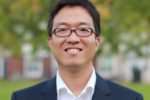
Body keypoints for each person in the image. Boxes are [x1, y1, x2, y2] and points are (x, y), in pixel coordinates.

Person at [11, 0, 143, 100]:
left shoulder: (131, 98)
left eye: (83, 30)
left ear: (97, 42)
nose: (73, 38)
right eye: (62, 30)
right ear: (50, 42)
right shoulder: (22, 98)